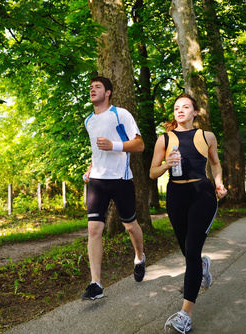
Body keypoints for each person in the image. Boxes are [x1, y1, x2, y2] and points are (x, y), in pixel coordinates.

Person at [149, 93, 227, 333]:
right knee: (187, 250)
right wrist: (166, 165)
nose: (180, 110)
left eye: (185, 107)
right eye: (176, 107)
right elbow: (152, 172)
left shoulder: (207, 136)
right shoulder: (164, 139)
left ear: (195, 112)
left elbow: (215, 163)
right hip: (175, 196)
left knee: (191, 251)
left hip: (202, 194)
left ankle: (185, 314)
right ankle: (202, 266)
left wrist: (219, 182)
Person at [81, 76, 146, 300]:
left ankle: (139, 257)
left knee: (129, 225)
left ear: (108, 92)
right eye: (91, 87)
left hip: (121, 178)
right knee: (93, 230)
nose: (92, 90)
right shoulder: (88, 120)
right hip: (97, 182)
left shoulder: (121, 114)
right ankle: (96, 283)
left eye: (97, 87)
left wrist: (113, 146)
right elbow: (96, 152)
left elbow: (139, 144)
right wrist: (91, 168)